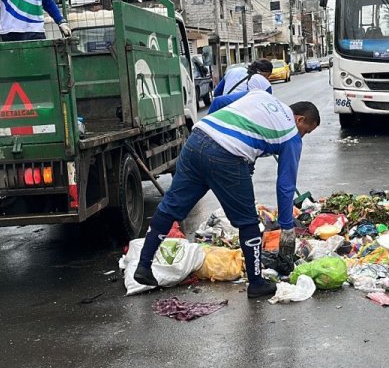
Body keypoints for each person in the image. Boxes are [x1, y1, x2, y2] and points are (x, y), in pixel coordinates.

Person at [134, 91, 321, 299]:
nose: (303, 136)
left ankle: (144, 266)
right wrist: (286, 227)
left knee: (170, 207)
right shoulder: (291, 135)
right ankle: (257, 283)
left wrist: (216, 136)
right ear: (299, 119)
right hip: (227, 157)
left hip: (197, 139)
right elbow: (286, 185)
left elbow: (220, 101)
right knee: (248, 223)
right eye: (306, 131)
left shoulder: (260, 96)